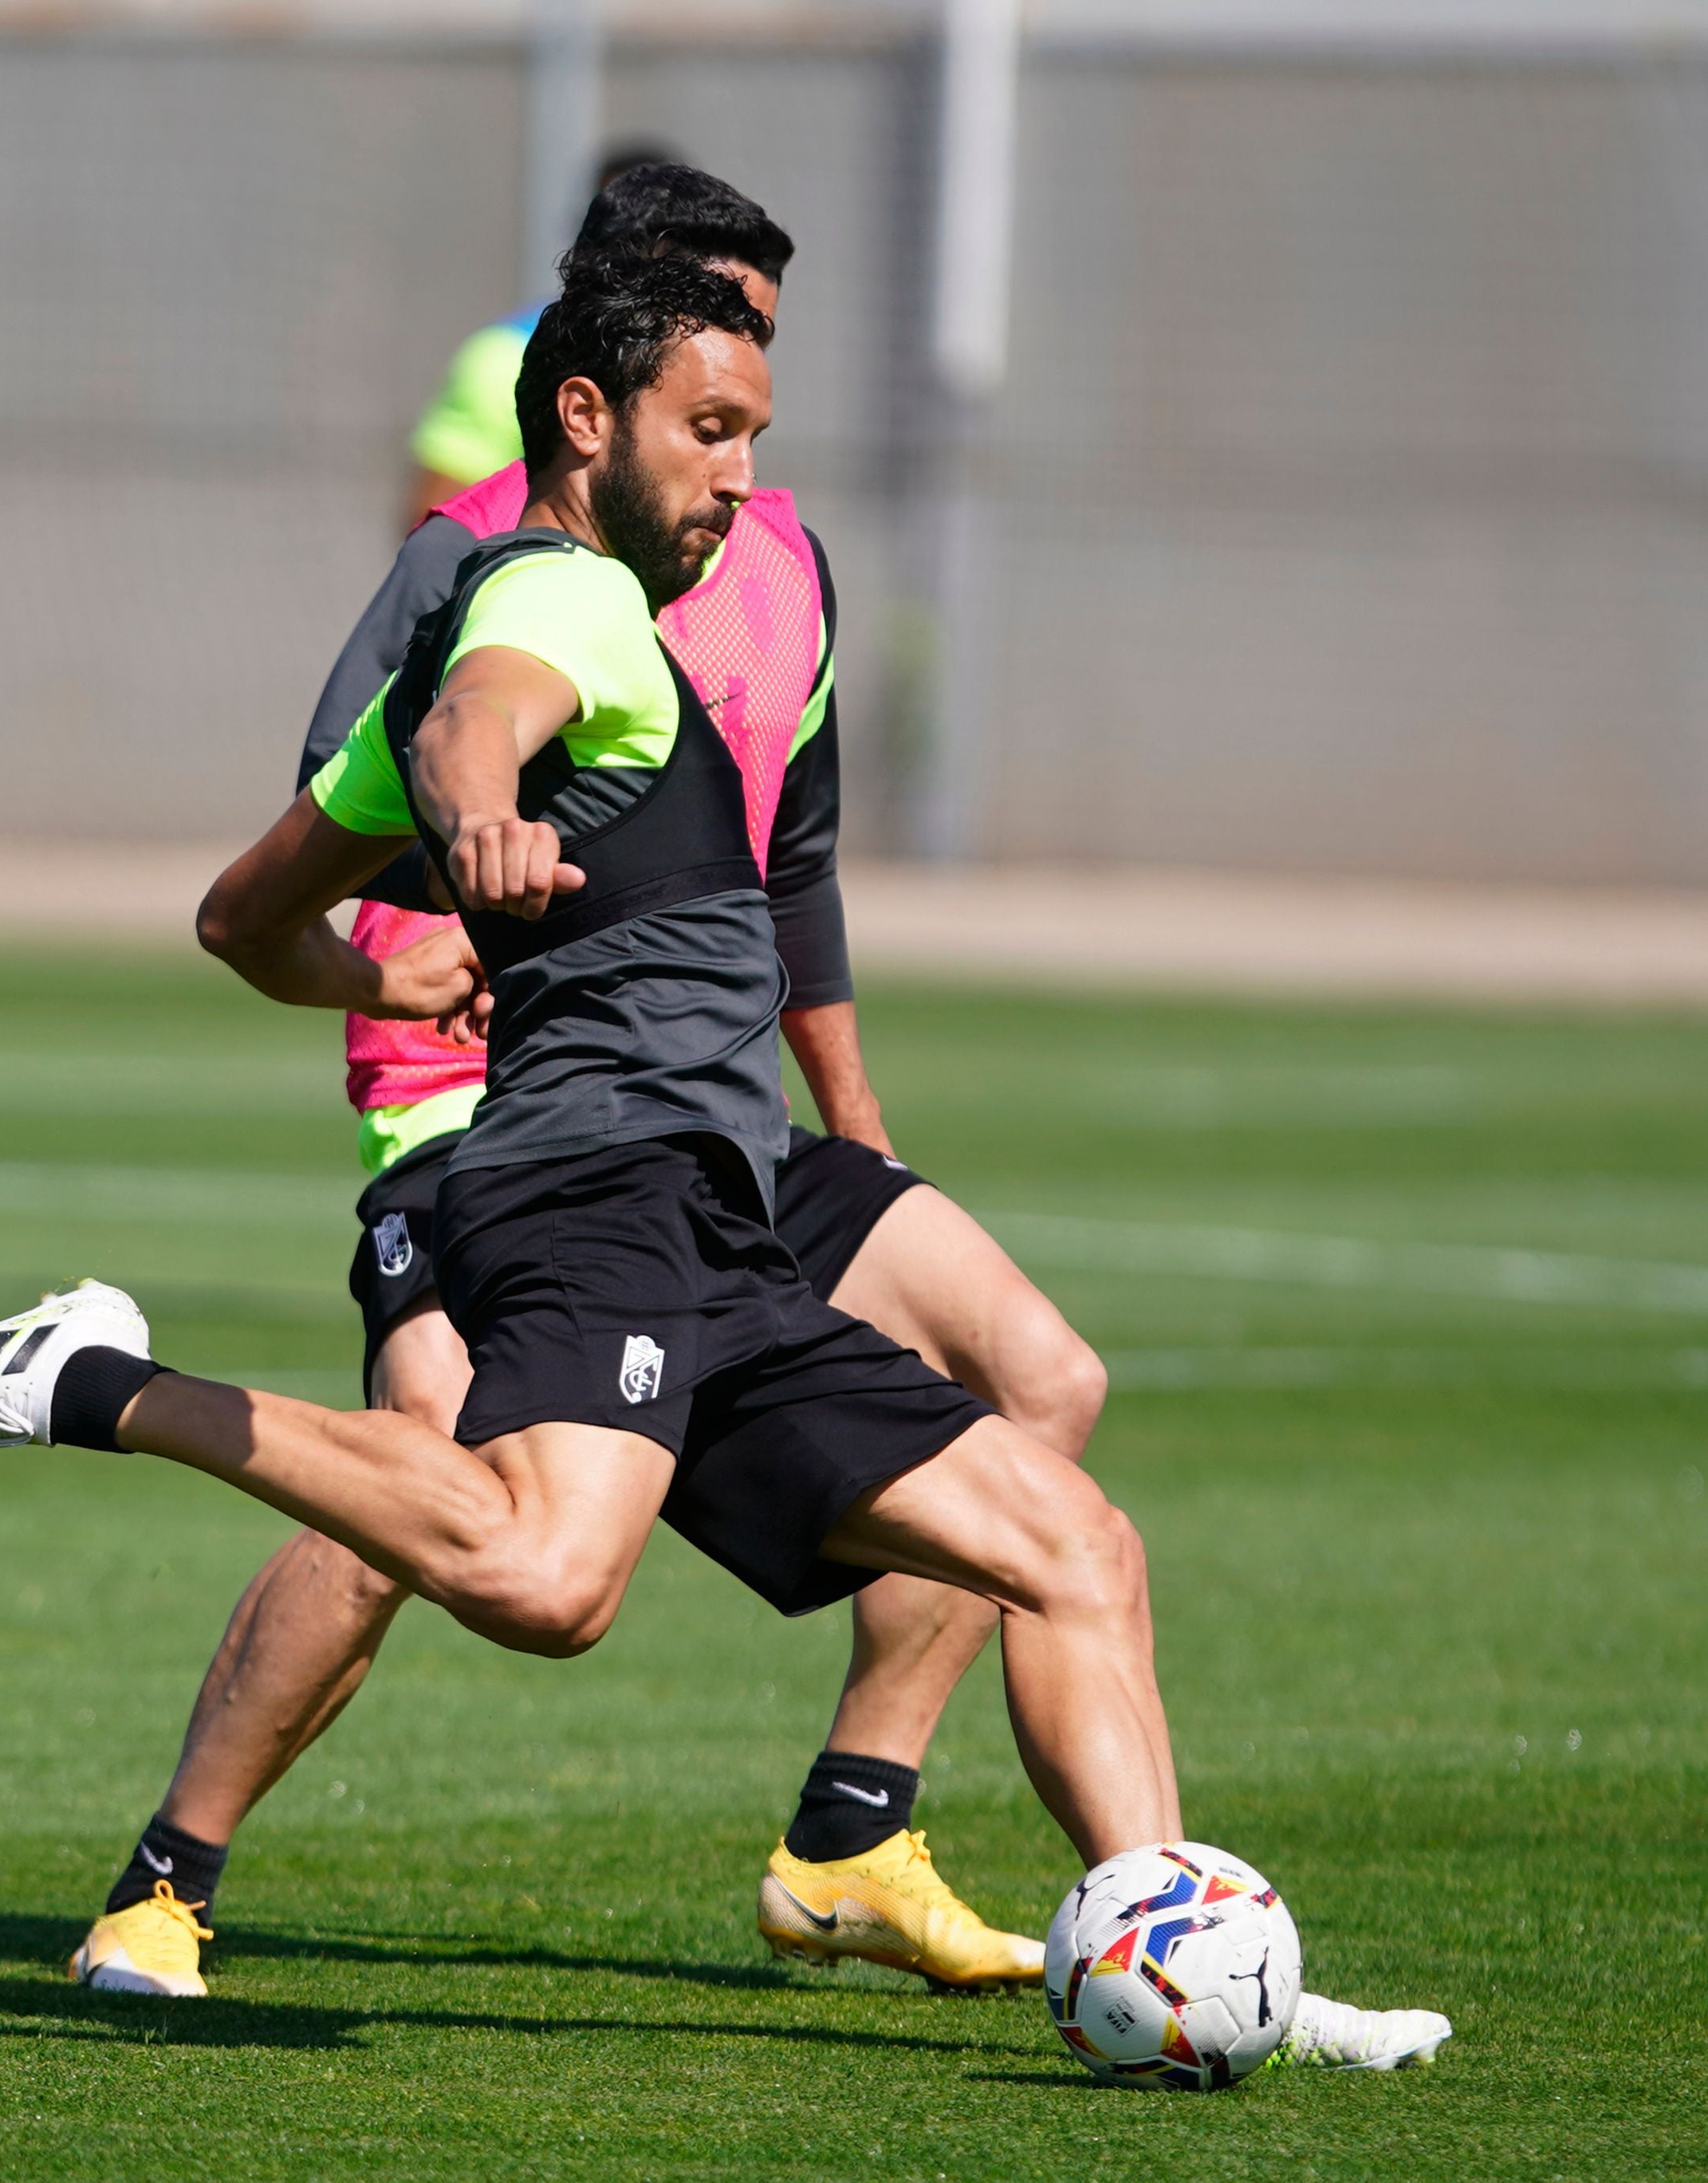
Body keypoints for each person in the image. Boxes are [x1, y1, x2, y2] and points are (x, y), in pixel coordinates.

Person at [0, 249, 1450, 2075]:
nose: (743, 472)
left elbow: (237, 918)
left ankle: (1190, 1951)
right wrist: (475, 830)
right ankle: (90, 1388)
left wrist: (380, 947)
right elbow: (464, 725)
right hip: (574, 1178)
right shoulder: (552, 598)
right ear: (587, 418)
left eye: (756, 426)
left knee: (1075, 1543)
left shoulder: (710, 594)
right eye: (715, 427)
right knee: (537, 1582)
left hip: (723, 1200)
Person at [61, 169, 1107, 2005]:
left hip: (714, 1118)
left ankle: (855, 1822)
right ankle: (169, 1877)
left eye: (764, 351)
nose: (744, 399)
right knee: (441, 1478)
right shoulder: (482, 559)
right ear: (606, 355)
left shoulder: (780, 559)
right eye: (713, 347)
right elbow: (358, 801)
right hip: (478, 1106)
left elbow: (792, 864)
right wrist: (446, 907)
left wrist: (852, 1124)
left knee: (1040, 1376)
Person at [403, 143, 681, 529]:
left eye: (661, 231)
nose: (635, 249)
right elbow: (436, 530)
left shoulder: (721, 362)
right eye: (614, 225)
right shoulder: (504, 357)